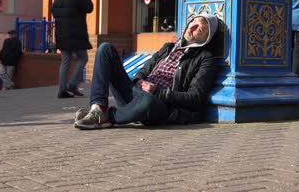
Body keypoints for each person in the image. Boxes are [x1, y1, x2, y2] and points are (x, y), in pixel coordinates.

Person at [74, 14, 219, 130]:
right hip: (136, 93)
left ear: (205, 39)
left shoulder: (205, 59)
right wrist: (138, 80)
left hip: (159, 104)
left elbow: (194, 97)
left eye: (199, 29)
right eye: (194, 22)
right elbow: (143, 71)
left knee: (147, 101)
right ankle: (98, 108)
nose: (192, 28)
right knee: (105, 49)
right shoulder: (168, 47)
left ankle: (106, 117)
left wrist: (157, 92)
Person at [52, 0, 94, 98]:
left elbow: (54, 11)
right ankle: (72, 84)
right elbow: (89, 7)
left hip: (61, 34)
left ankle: (62, 89)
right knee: (83, 58)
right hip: (76, 34)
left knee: (65, 60)